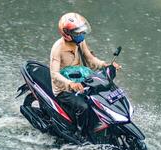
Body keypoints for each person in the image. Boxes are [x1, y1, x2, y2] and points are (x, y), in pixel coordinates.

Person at [49, 12, 121, 142]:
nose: (81, 34)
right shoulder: (57, 49)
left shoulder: (80, 42)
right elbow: (54, 74)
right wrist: (70, 84)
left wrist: (106, 65)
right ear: (67, 34)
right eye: (77, 32)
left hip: (80, 80)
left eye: (81, 31)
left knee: (101, 97)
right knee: (84, 107)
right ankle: (80, 134)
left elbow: (90, 59)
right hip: (63, 89)